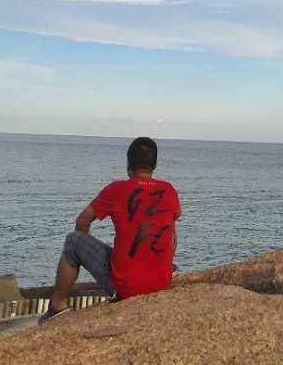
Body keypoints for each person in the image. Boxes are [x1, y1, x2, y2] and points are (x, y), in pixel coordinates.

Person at [41, 136, 181, 322]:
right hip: (162, 281)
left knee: (73, 240)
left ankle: (58, 306)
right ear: (154, 165)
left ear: (128, 164)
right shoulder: (169, 190)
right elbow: (172, 239)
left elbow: (82, 220)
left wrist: (85, 255)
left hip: (127, 288)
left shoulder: (116, 189)